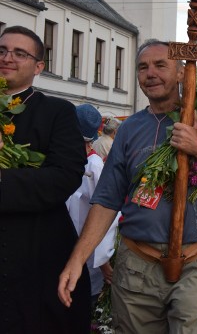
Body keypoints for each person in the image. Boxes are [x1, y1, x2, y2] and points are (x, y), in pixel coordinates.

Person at [58, 39, 197, 333]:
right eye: (143, 67)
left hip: (195, 263)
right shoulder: (129, 128)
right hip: (136, 267)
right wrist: (77, 260)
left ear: (182, 73)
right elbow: (106, 199)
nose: (150, 73)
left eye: (160, 65)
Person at [0, 25, 91, 333]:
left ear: (39, 66)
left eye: (19, 53)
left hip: (36, 250)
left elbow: (65, 175)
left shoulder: (56, 111)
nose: (7, 58)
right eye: (1, 50)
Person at [66, 103, 116, 308]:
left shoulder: (94, 164)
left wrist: (104, 263)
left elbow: (104, 209)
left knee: (84, 299)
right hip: (66, 242)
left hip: (87, 250)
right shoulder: (70, 159)